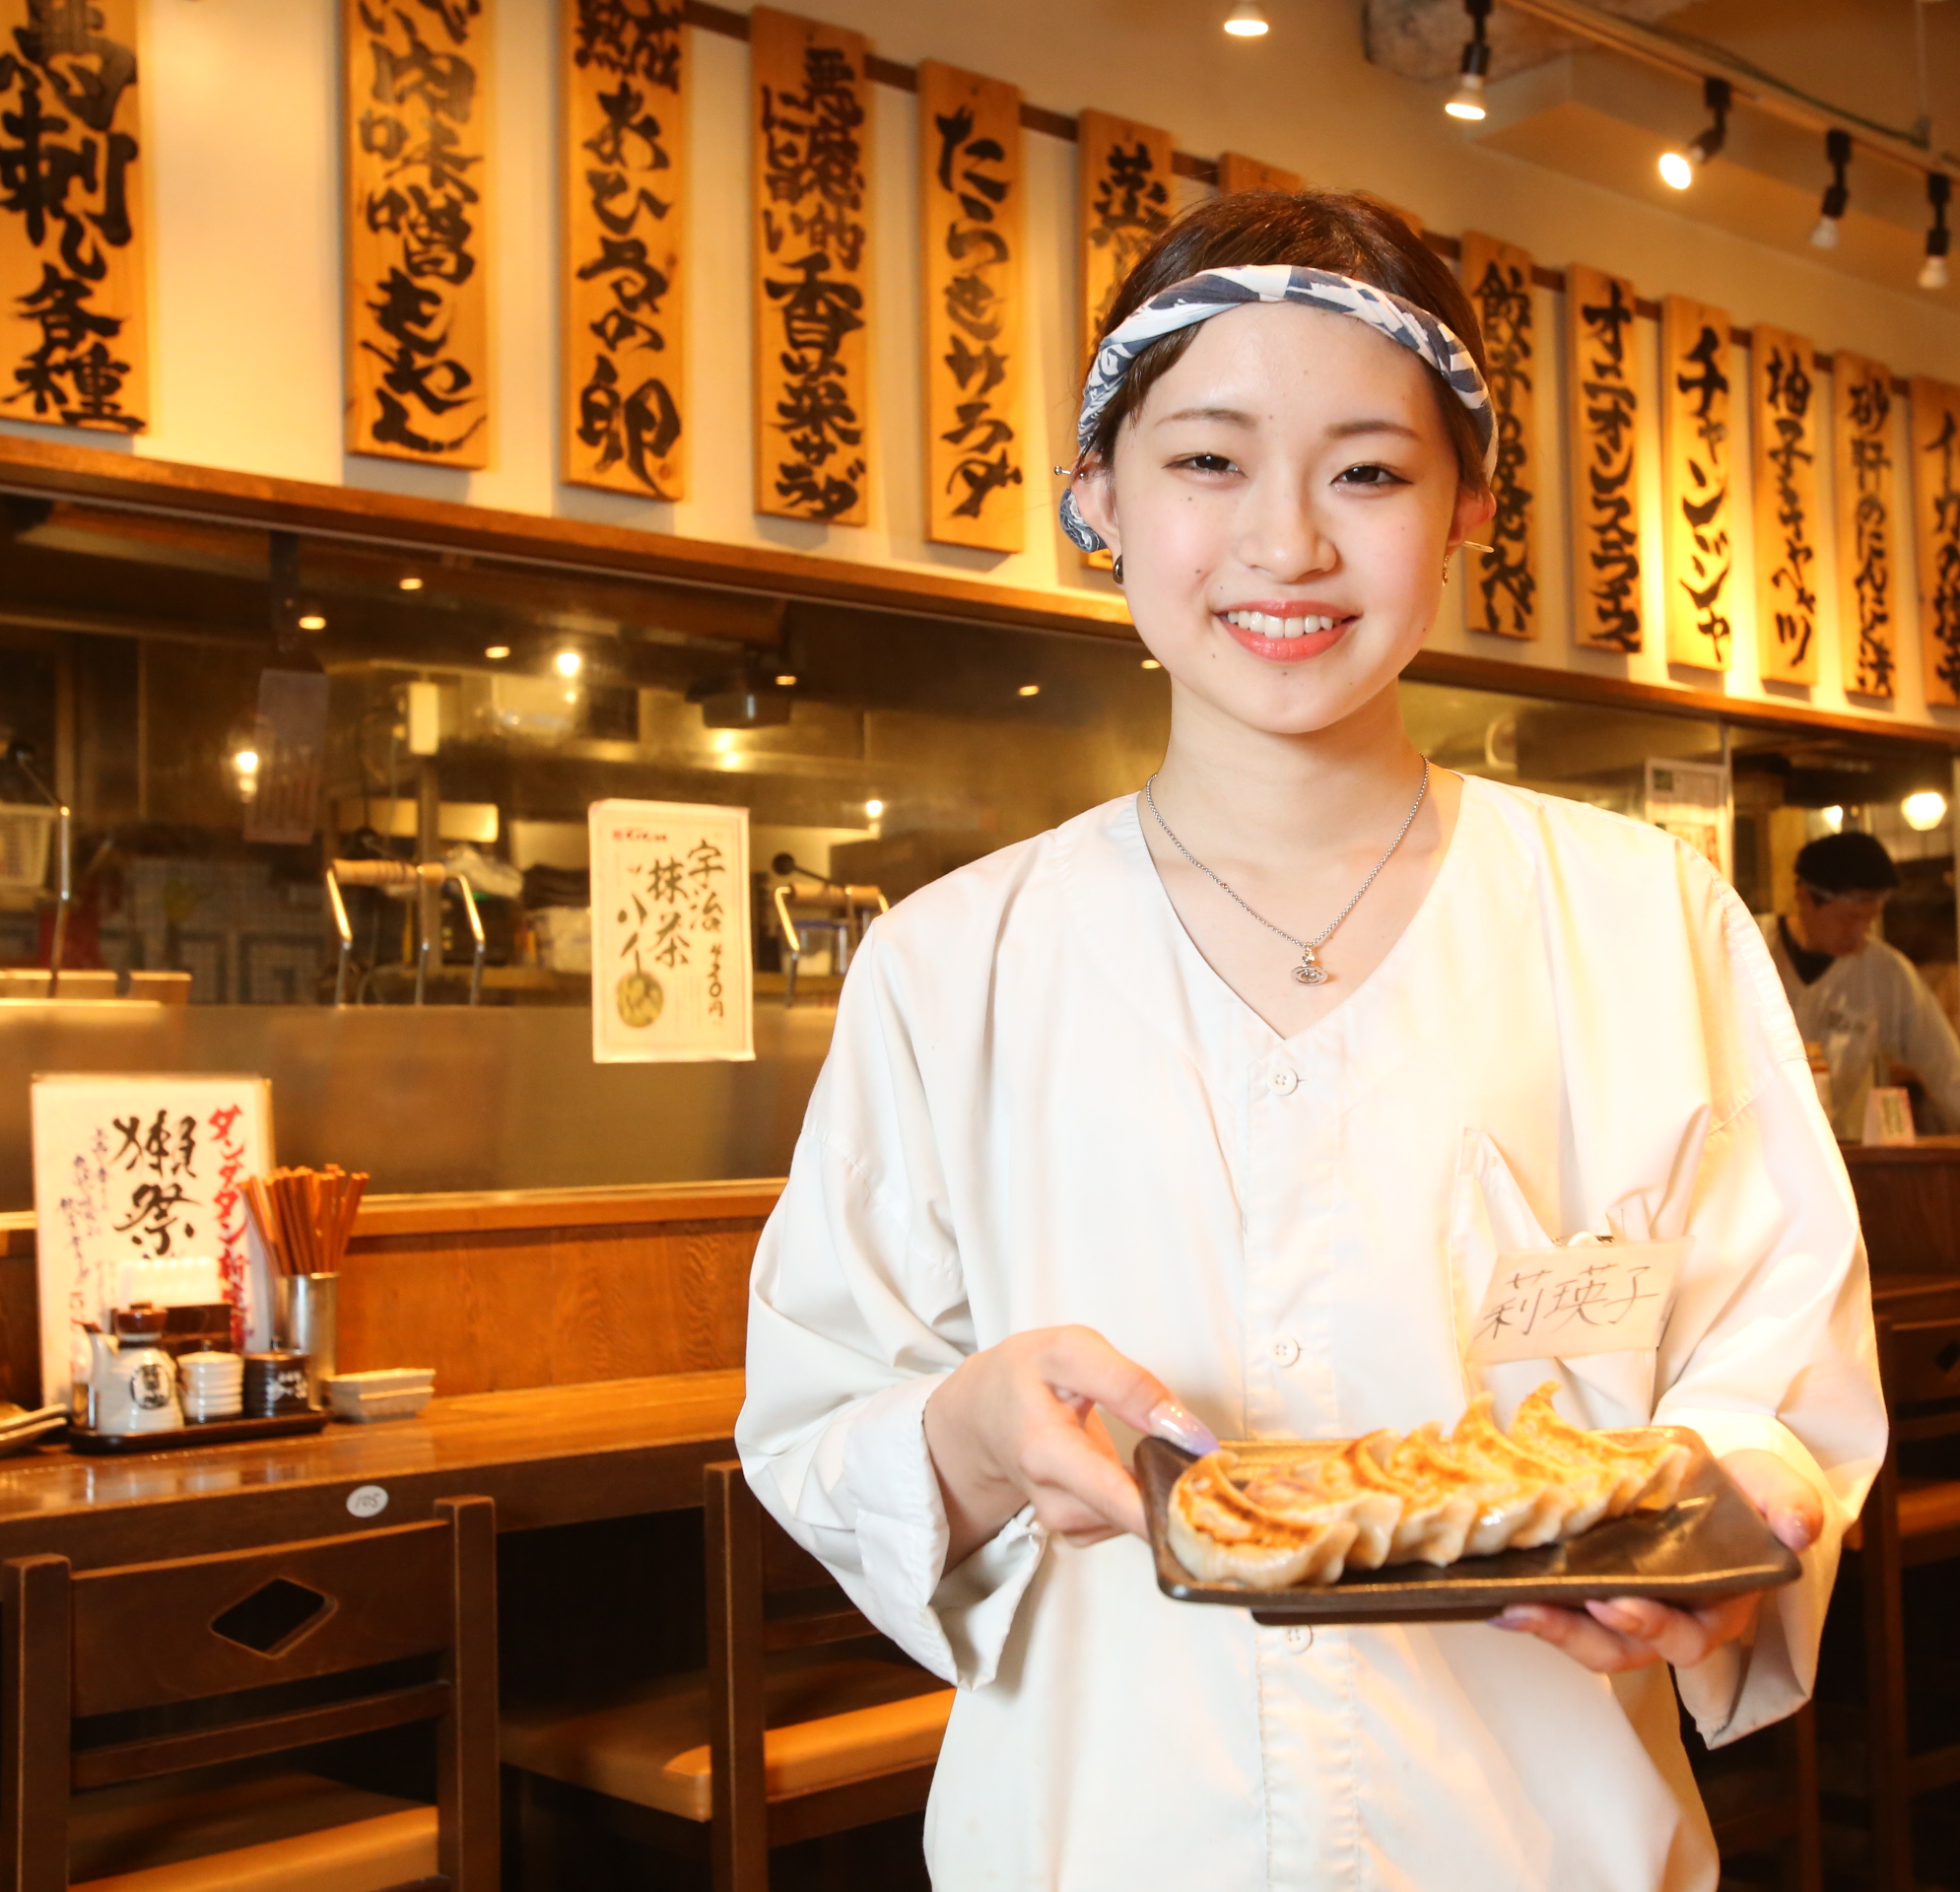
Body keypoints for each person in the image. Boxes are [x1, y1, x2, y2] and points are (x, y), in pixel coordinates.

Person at [738, 189, 1884, 1890]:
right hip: (1101, 1834)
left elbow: (1775, 1374)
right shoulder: (953, 965)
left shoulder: (1647, 925)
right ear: (1099, 503)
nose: (1288, 544)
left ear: (1466, 509)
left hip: (1540, 1839)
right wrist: (969, 1428)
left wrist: (1736, 1511)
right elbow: (820, 1415)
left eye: (1367, 470)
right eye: (1208, 462)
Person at [1762, 830, 1960, 1136]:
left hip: (1825, 1148)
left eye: (1868, 919)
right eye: (1848, 918)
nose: (1858, 933)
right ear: (1803, 896)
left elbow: (1946, 1067)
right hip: (1738, 1148)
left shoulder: (1884, 971)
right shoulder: (1747, 945)